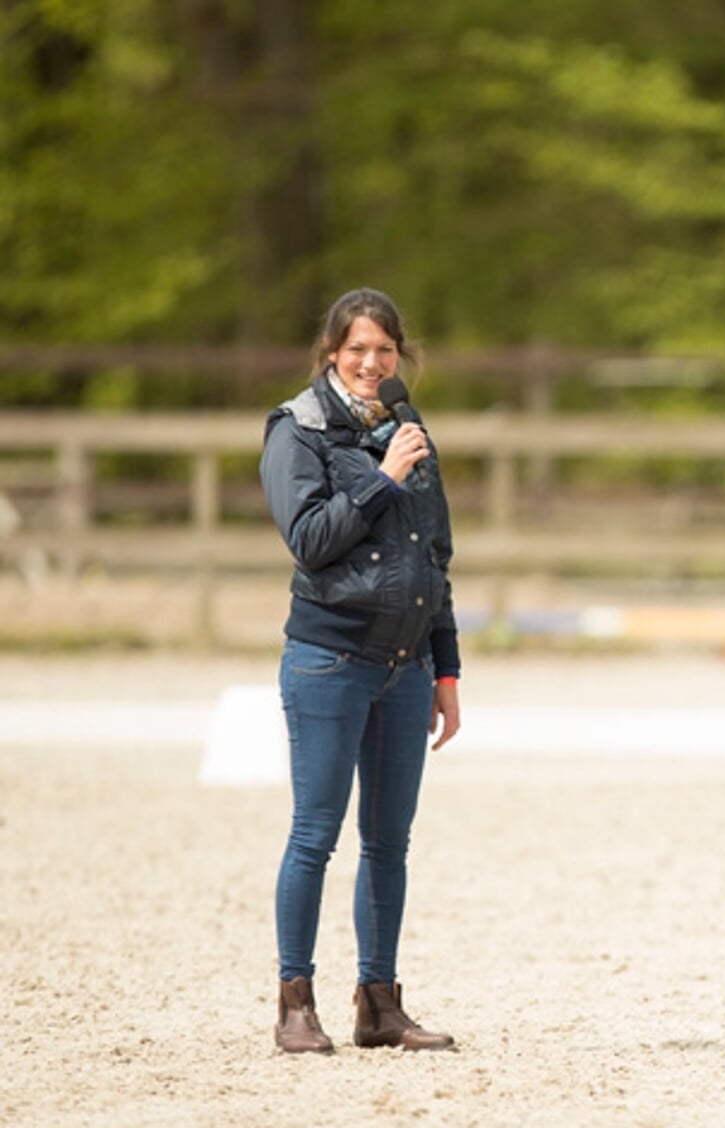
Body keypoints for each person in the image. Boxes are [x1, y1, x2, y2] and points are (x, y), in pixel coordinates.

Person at [259, 287, 461, 1054]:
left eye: (385, 350)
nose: (373, 363)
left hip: (404, 668)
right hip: (328, 659)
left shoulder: (410, 427)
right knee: (315, 833)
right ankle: (294, 1002)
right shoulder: (297, 430)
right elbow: (310, 540)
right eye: (358, 351)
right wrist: (382, 475)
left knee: (389, 841)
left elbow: (433, 558)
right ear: (332, 354)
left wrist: (446, 670)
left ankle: (380, 1002)